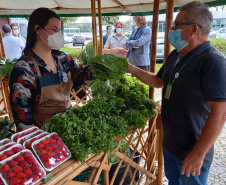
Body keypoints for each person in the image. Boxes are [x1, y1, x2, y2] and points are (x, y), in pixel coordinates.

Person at [127, 1, 226, 185]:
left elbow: (220, 114)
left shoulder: (213, 61)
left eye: (176, 25)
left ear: (194, 29)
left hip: (192, 151)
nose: (171, 29)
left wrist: (198, 154)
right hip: (171, 145)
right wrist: (130, 68)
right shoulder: (176, 54)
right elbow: (158, 81)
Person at [9, 8, 94, 130]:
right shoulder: (24, 69)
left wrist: (102, 67)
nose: (58, 34)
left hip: (70, 128)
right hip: (44, 138)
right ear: (38, 29)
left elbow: (80, 75)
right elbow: (22, 119)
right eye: (54, 29)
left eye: (59, 30)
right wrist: (43, 143)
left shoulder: (63, 59)